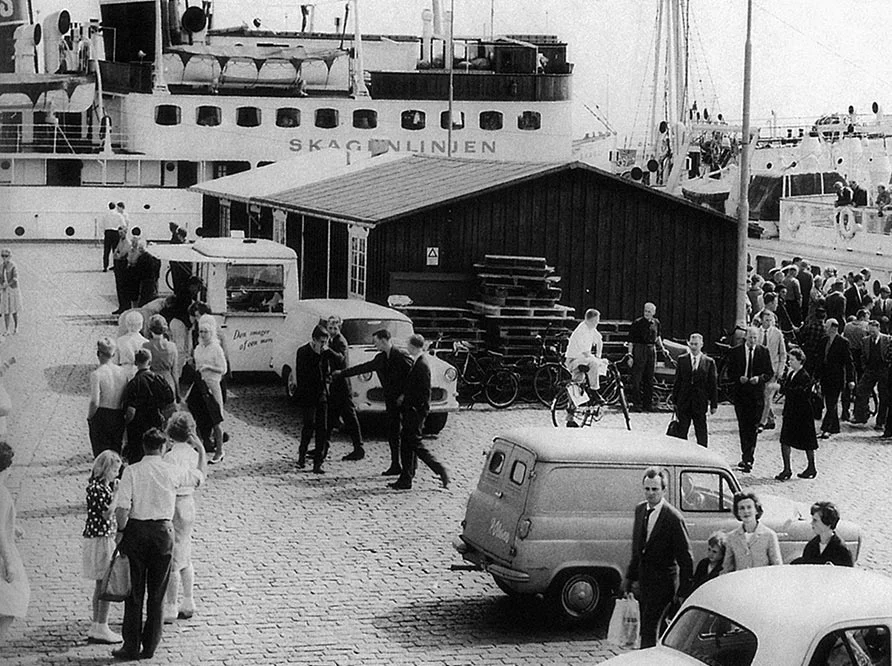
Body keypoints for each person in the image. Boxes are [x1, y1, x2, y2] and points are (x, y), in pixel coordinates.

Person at [113, 428, 205, 661]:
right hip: (163, 532)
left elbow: (122, 509)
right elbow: (198, 477)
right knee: (157, 592)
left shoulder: (132, 471)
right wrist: (202, 451)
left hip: (136, 530)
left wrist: (121, 531)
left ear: (144, 447)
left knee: (134, 592)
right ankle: (151, 644)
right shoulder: (171, 471)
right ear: (163, 447)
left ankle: (130, 645)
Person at [624, 467, 693, 649]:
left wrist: (683, 592)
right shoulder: (640, 510)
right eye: (647, 489)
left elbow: (686, 558)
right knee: (656, 630)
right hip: (645, 582)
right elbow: (637, 548)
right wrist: (630, 579)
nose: (650, 493)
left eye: (655, 489)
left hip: (664, 585)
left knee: (649, 628)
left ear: (664, 490)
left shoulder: (673, 518)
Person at [336, 329, 411, 477]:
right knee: (393, 434)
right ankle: (395, 464)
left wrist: (404, 395)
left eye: (376, 342)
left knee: (407, 436)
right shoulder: (381, 358)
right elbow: (363, 367)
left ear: (384, 340)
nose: (375, 345)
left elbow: (413, 377)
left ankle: (408, 468)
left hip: (405, 402)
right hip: (391, 402)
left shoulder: (401, 356)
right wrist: (341, 374)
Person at [162, 413, 207, 623]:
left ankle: (171, 605)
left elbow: (166, 479)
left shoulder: (170, 456)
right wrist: (201, 450)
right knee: (186, 554)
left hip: (174, 503)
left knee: (172, 559)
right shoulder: (192, 454)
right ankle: (188, 600)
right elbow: (201, 475)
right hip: (189, 502)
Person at [390, 334, 449, 491]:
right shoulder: (418, 362)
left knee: (414, 445)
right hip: (413, 410)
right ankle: (406, 477)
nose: (407, 347)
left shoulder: (421, 365)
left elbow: (423, 392)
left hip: (415, 412)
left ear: (413, 346)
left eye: (408, 345)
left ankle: (439, 469)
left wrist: (414, 408)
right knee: (408, 445)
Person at [82, 450, 124, 645]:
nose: (117, 474)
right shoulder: (97, 489)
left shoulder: (98, 486)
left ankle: (98, 623)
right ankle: (102, 625)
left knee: (101, 583)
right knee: (105, 583)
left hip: (101, 537)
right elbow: (107, 514)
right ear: (106, 469)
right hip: (101, 539)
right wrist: (117, 493)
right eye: (115, 470)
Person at [726, 327, 773, 473]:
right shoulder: (736, 352)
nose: (753, 340)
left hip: (756, 395)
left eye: (755, 338)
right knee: (743, 426)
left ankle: (748, 459)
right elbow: (730, 372)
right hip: (741, 394)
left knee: (753, 427)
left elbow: (769, 373)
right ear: (745, 337)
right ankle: (745, 454)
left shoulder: (763, 351)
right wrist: (739, 377)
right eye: (751, 337)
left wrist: (759, 378)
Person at [293, 325, 334, 474]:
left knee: (322, 429)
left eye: (325, 342)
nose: (323, 345)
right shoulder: (303, 352)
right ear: (314, 340)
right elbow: (305, 375)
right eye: (321, 342)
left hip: (321, 394)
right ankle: (302, 456)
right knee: (308, 426)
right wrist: (317, 356)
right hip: (308, 394)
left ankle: (318, 462)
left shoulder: (325, 352)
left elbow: (328, 370)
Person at [324, 316, 365, 462]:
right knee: (330, 417)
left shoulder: (340, 341)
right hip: (336, 384)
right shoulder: (332, 340)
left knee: (349, 417)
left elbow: (341, 359)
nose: (332, 331)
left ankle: (358, 448)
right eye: (330, 328)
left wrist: (328, 351)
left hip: (342, 385)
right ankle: (323, 447)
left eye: (335, 328)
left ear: (339, 328)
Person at [0, 441, 29, 642]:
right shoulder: (1, 493)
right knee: (13, 601)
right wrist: (9, 562)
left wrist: (13, 527)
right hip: (2, 555)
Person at [776, 347, 819, 480]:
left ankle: (811, 467)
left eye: (792, 359)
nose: (790, 362)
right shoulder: (791, 374)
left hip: (802, 414)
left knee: (807, 442)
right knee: (785, 440)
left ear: (800, 361)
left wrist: (784, 389)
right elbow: (786, 389)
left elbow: (800, 392)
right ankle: (787, 469)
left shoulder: (804, 376)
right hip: (791, 412)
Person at [122, 349, 170, 464]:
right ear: (150, 362)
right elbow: (170, 402)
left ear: (135, 362)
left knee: (137, 459)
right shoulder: (159, 380)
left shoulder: (134, 383)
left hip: (137, 427)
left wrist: (125, 424)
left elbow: (130, 411)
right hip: (155, 424)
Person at [670, 333, 718, 447]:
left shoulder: (709, 362)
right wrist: (674, 400)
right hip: (684, 401)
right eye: (691, 344)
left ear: (701, 345)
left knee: (701, 432)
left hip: (700, 402)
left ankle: (703, 456)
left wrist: (714, 404)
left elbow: (713, 384)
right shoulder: (682, 360)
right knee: (682, 432)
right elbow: (678, 381)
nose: (693, 347)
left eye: (696, 344)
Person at [192, 315, 227, 464]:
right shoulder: (198, 348)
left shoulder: (216, 348)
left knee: (216, 419)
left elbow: (223, 369)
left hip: (213, 384)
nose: (203, 334)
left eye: (206, 332)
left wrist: (208, 367)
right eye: (201, 332)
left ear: (211, 332)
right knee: (197, 415)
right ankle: (198, 447)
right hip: (201, 384)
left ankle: (220, 450)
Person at [88, 337, 129, 457]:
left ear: (98, 353)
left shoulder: (97, 374)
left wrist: (90, 417)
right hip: (118, 414)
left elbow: (95, 401)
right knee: (116, 452)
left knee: (100, 453)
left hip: (102, 414)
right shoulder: (123, 373)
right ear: (114, 354)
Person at [815, 318, 856, 439]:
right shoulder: (823, 341)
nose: (824, 329)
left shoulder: (843, 342)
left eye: (827, 327)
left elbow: (849, 362)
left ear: (833, 328)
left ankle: (825, 429)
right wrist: (816, 377)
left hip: (837, 378)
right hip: (825, 377)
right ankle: (835, 427)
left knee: (832, 402)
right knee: (829, 403)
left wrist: (851, 379)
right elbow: (819, 360)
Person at [722, 492, 782, 573]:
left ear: (756, 510)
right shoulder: (732, 537)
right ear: (738, 513)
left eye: (749, 507)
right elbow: (727, 567)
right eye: (742, 508)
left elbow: (777, 566)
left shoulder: (769, 535)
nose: (746, 511)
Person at [852, 319, 891, 429]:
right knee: (861, 390)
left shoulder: (887, 340)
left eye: (874, 332)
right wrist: (865, 367)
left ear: (879, 329)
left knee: (884, 396)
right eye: (870, 332)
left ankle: (880, 421)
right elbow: (863, 356)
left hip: (883, 371)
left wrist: (887, 369)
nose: (872, 334)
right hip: (870, 370)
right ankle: (862, 415)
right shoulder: (865, 341)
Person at [628, 302, 666, 412]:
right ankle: (636, 404)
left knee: (649, 378)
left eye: (649, 311)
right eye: (645, 311)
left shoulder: (656, 323)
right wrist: (630, 355)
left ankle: (647, 405)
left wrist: (663, 348)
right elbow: (630, 341)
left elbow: (658, 336)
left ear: (654, 312)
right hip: (639, 349)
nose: (647, 313)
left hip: (651, 350)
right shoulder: (637, 323)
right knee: (637, 378)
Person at [791, 501, 854, 566]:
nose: (812, 523)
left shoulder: (842, 552)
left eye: (815, 520)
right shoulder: (811, 547)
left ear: (828, 523)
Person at [757, 311, 787, 432]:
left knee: (768, 396)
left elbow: (782, 353)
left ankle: (762, 422)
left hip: (773, 369)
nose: (768, 322)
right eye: (766, 320)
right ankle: (770, 419)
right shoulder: (756, 333)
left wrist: (781, 369)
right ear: (761, 320)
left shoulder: (777, 334)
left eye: (771, 320)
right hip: (759, 370)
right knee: (761, 396)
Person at [143, 315, 179, 407]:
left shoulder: (146, 346)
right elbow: (175, 371)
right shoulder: (172, 346)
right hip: (168, 379)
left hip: (151, 380)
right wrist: (177, 390)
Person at [564, 308, 604, 390]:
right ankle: (594, 389)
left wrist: (598, 356)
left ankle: (593, 383)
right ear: (592, 320)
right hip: (573, 360)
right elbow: (585, 353)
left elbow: (599, 341)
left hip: (582, 359)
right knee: (594, 363)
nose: (597, 323)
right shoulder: (582, 330)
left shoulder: (591, 329)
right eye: (596, 320)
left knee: (603, 362)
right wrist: (597, 360)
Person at [116, 310, 149, 378]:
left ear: (127, 324)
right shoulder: (146, 342)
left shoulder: (120, 341)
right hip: (141, 372)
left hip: (123, 372)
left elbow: (115, 361)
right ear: (141, 325)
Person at [112, 226, 133, 315]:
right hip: (118, 266)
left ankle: (125, 306)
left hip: (123, 266)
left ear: (125, 232)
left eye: (121, 233)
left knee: (124, 287)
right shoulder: (121, 241)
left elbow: (121, 255)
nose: (120, 235)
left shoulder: (127, 243)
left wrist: (118, 254)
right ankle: (121, 306)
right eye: (119, 233)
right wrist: (117, 254)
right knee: (119, 287)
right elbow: (115, 253)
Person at [0, 248, 21, 336]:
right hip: (4, 290)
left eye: (6, 256)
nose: (4, 258)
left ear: (9, 256)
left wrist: (7, 285)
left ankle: (16, 327)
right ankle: (7, 329)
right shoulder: (1, 266)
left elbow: (15, 279)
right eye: (2, 256)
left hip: (12, 289)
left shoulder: (13, 265)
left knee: (14, 310)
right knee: (6, 310)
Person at [102, 202, 124, 271]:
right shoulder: (118, 215)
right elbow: (123, 224)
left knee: (106, 250)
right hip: (115, 232)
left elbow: (101, 225)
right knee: (115, 250)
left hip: (107, 232)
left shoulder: (105, 215)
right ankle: (116, 266)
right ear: (115, 207)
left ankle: (105, 266)